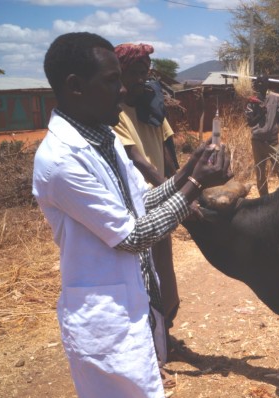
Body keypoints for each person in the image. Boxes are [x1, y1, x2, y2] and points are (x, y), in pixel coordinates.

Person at [33, 32, 231, 398]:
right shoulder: (60, 159)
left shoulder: (100, 139)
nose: (123, 93)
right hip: (103, 310)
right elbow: (132, 234)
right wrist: (194, 189)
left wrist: (190, 169)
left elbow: (145, 199)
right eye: (112, 82)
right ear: (74, 87)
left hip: (132, 301)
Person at [112, 43, 181, 366]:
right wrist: (179, 192)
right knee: (146, 279)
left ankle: (165, 334)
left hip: (161, 200)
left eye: (146, 72)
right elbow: (140, 162)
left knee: (166, 280)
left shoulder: (150, 106)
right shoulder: (115, 113)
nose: (143, 79)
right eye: (137, 72)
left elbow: (167, 154)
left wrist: (182, 183)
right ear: (120, 73)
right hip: (140, 206)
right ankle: (152, 347)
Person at [245, 76, 279, 195]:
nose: (259, 85)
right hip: (257, 141)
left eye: (261, 82)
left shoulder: (277, 98)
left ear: (267, 84)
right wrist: (260, 114)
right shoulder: (253, 101)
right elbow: (250, 123)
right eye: (257, 83)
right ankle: (264, 198)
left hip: (272, 141)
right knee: (260, 172)